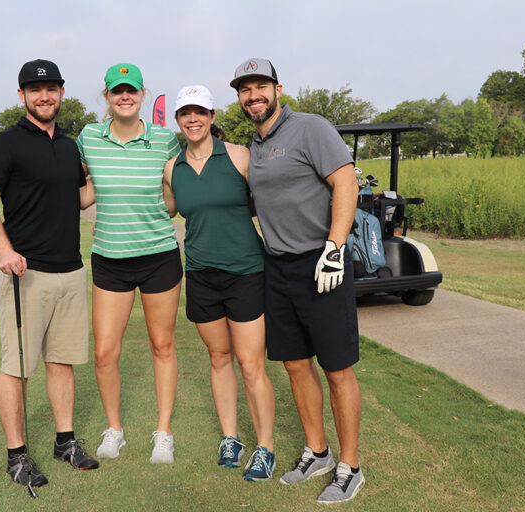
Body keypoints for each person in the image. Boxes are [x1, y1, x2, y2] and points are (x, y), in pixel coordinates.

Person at [229, 58, 365, 504]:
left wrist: (335, 246)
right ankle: (318, 451)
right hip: (279, 267)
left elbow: (346, 182)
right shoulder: (256, 144)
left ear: (277, 88)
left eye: (261, 86)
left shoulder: (310, 127)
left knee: (337, 368)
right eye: (246, 90)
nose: (254, 96)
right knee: (294, 363)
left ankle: (350, 467)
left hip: (322, 261)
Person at [0, 59, 98, 489]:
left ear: (62, 92)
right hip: (25, 273)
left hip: (71, 271)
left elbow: (79, 198)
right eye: (35, 89)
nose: (44, 95)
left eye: (51, 88)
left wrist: (120, 177)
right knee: (17, 367)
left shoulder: (69, 147)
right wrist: (4, 251)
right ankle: (17, 455)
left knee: (62, 362)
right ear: (22, 95)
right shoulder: (4, 144)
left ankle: (65, 442)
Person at [162, 85, 276, 481]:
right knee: (219, 358)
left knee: (250, 363)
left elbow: (272, 202)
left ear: (212, 117)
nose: (192, 119)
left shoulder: (240, 157)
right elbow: (165, 209)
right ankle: (231, 437)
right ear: (178, 121)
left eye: (200, 112)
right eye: (184, 113)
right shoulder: (171, 168)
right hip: (200, 273)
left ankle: (265, 447)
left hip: (245, 271)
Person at [76, 63, 182, 464]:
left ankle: (163, 432)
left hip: (158, 256)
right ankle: (115, 430)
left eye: (132, 91)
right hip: (110, 258)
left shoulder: (164, 139)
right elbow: (82, 187)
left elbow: (175, 191)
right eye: (117, 91)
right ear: (107, 96)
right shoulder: (88, 137)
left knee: (162, 344)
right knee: (105, 352)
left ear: (141, 94)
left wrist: (162, 210)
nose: (125, 97)